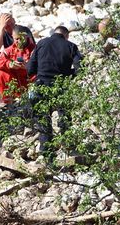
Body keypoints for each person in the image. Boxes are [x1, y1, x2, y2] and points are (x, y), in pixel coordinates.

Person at [27, 26, 82, 158]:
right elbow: (80, 68)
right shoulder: (71, 46)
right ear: (66, 36)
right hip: (61, 86)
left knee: (43, 120)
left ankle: (47, 154)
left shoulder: (41, 43)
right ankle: (68, 149)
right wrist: (69, 75)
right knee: (64, 117)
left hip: (41, 85)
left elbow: (30, 69)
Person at [0, 25, 35, 103]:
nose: (19, 41)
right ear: (13, 37)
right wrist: (9, 64)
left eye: (21, 38)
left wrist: (29, 66)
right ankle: (7, 101)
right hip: (16, 82)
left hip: (29, 81)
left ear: (26, 37)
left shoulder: (35, 49)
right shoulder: (9, 50)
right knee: (0, 73)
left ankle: (34, 99)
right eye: (16, 39)